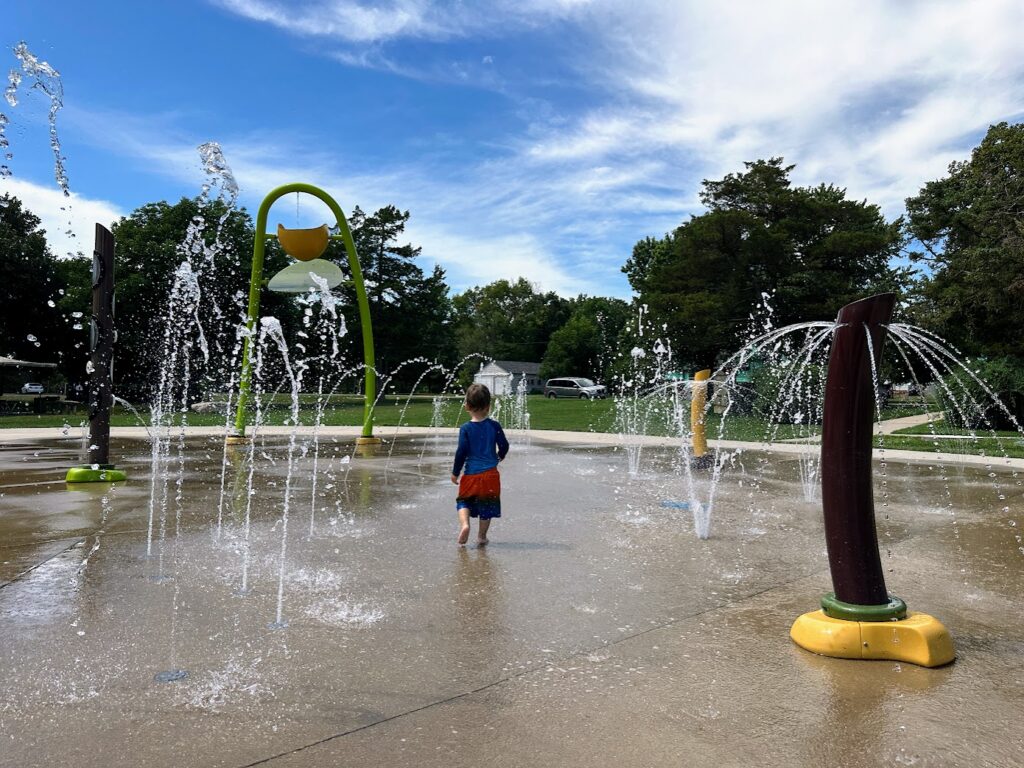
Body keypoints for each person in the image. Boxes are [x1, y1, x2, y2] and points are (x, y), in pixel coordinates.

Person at [451, 383, 509, 546]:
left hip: (470, 475)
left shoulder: (466, 428)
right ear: (488, 407)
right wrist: (500, 456)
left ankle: (465, 524)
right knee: (487, 506)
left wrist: (455, 472)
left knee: (463, 501)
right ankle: (481, 536)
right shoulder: (494, 426)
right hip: (490, 475)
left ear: (467, 406)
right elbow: (504, 445)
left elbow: (461, 451)